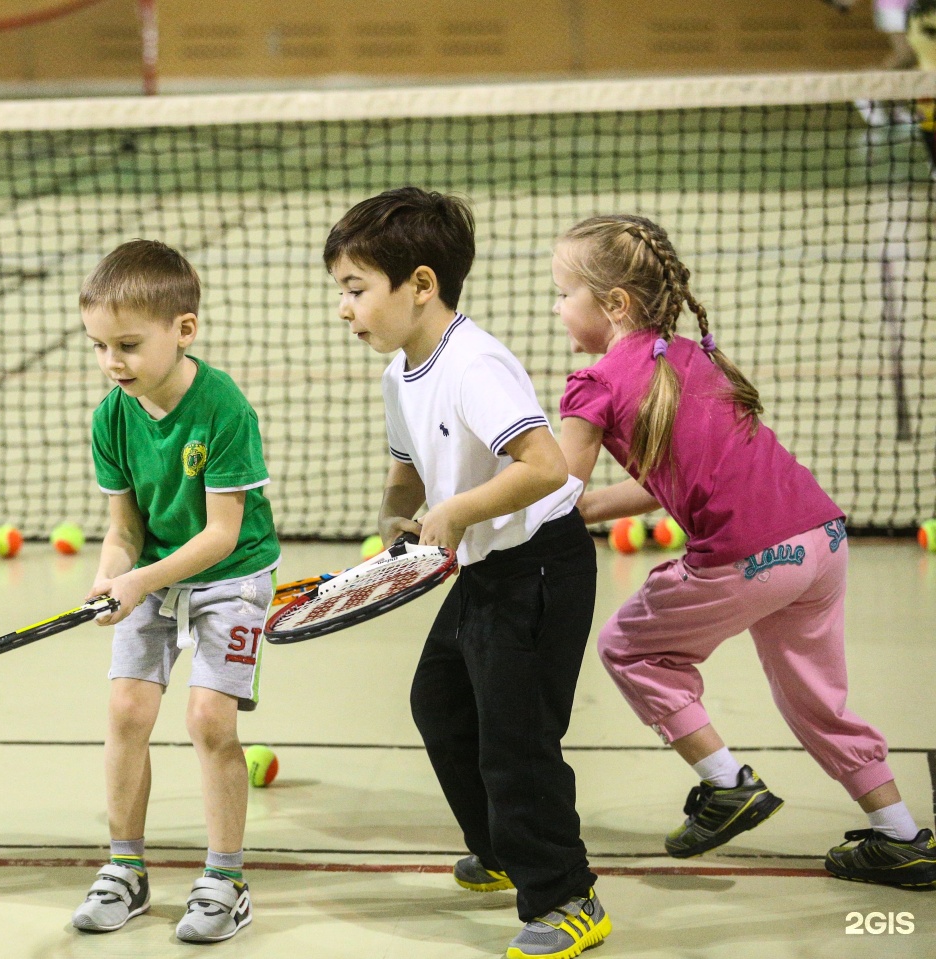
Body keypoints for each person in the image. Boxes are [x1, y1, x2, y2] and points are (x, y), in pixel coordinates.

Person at [554, 214, 936, 889]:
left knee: (630, 647)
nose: (557, 306)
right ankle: (901, 836)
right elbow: (652, 484)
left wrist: (469, 508)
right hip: (820, 538)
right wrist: (586, 506)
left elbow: (551, 488)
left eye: (562, 292)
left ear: (614, 304)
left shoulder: (596, 385)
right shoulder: (688, 359)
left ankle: (727, 782)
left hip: (747, 556)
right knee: (818, 700)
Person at [327, 187, 609, 959]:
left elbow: (546, 467)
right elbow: (407, 469)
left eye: (355, 290)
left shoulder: (475, 363)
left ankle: (565, 894)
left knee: (514, 738)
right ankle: (500, 848)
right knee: (441, 701)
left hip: (540, 569)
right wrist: (400, 514)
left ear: (420, 284)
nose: (344, 308)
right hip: (487, 570)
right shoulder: (399, 371)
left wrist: (455, 514)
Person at [71, 239, 281, 943]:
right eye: (98, 346)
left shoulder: (222, 408)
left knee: (209, 721)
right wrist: (111, 573)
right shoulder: (112, 416)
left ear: (183, 329)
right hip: (153, 574)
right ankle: (124, 869)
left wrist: (137, 579)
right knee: (128, 710)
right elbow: (124, 527)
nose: (112, 362)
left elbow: (222, 535)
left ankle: (225, 879)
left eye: (127, 344)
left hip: (230, 575)